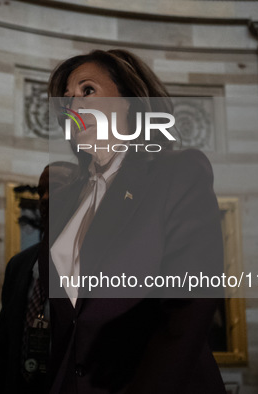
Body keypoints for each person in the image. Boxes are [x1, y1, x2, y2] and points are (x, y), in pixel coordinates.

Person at [43, 49, 226, 393]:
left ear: (129, 101)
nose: (74, 106)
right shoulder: (65, 200)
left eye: (88, 90)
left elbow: (189, 305)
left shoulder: (177, 172)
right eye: (66, 100)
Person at [0, 163, 76, 394]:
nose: (44, 198)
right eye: (40, 190)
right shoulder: (19, 265)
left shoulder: (99, 262)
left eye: (55, 188)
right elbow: (3, 342)